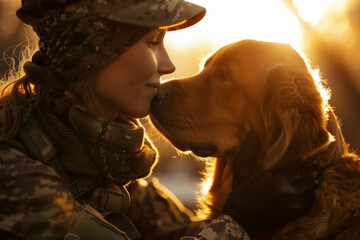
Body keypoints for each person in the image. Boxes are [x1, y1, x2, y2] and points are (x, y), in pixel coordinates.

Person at [0, 0, 317, 239]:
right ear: (93, 52)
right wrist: (239, 224)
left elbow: (184, 231)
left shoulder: (108, 163)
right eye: (152, 42)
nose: (167, 65)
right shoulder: (16, 176)